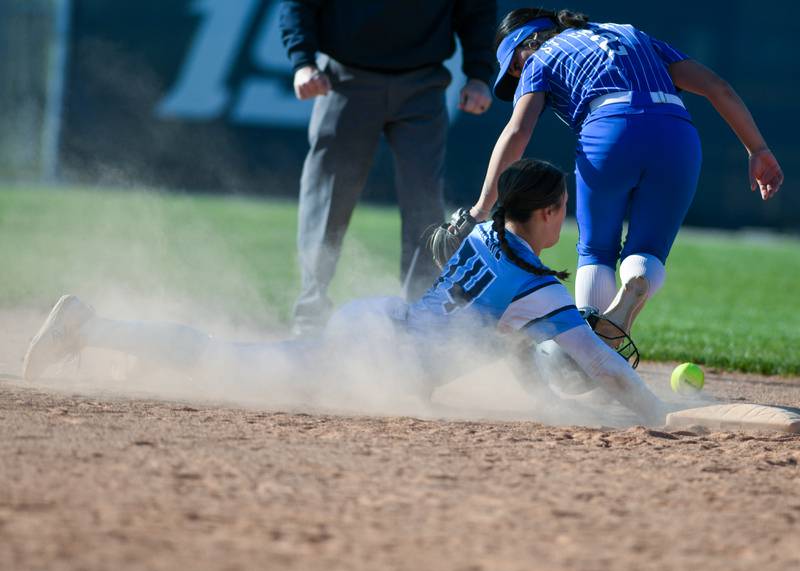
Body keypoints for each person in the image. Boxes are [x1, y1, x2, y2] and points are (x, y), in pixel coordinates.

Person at [22, 159, 666, 425]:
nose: (566, 220)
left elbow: (512, 344)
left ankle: (136, 343)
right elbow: (604, 365)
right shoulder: (534, 286)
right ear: (550, 215)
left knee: (243, 358)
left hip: (382, 329)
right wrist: (656, 412)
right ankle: (91, 325)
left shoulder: (488, 235)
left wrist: (558, 402)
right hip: (380, 350)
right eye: (563, 210)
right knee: (229, 361)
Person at [453, 7, 784, 342]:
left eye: (514, 63)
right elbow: (718, 87)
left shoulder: (541, 56)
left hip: (609, 129)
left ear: (529, 41)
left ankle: (587, 350)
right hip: (677, 134)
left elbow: (518, 131)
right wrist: (758, 150)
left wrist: (481, 209)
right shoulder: (629, 33)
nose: (518, 72)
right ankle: (637, 280)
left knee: (597, 250)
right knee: (648, 250)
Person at [279, 0, 497, 336]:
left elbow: (476, 10)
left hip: (423, 83)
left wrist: (479, 74)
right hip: (343, 78)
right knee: (327, 203)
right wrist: (303, 62)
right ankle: (309, 320)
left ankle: (419, 325)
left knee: (424, 208)